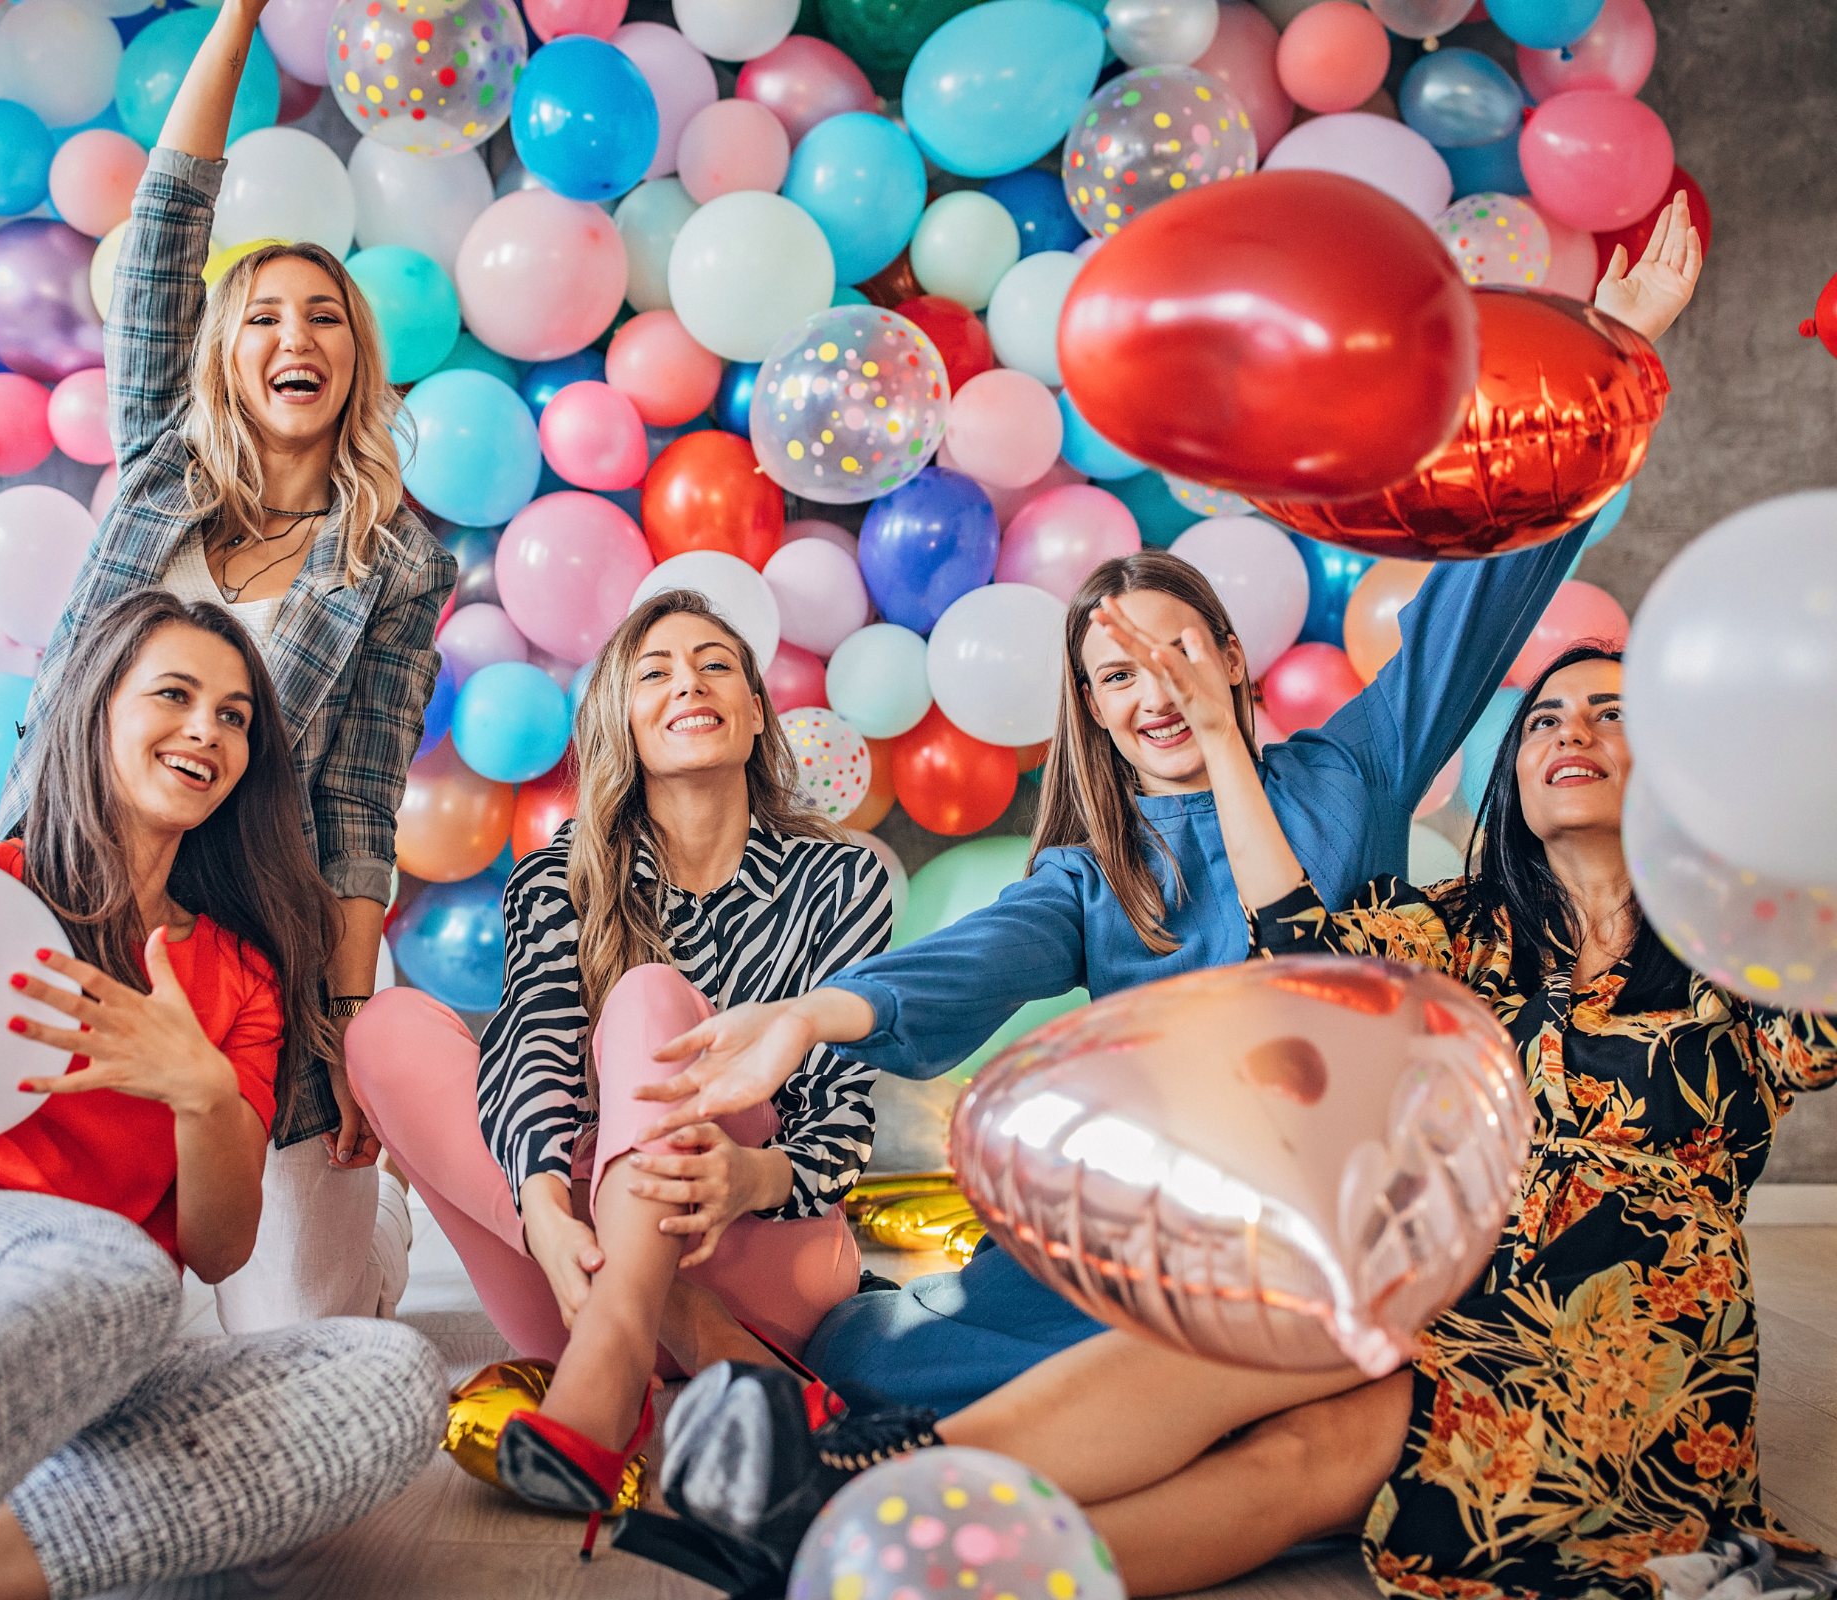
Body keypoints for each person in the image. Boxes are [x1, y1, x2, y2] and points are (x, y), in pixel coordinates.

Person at [627, 193, 1708, 1417]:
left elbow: (1482, 605)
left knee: (1297, 1376)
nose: (1152, 695)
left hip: (1327, 1201)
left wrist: (1609, 352)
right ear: (1089, 706)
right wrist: (808, 1014)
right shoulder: (1097, 877)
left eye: (1175, 658)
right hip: (1144, 1223)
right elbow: (969, 963)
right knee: (890, 1361)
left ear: (1233, 662)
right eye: (1114, 676)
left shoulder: (1341, 776)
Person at [660, 630, 1837, 1600]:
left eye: (1609, 713)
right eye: (1541, 719)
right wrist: (1223, 737)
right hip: (1448, 1298)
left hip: (1622, 1343)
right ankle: (918, 1563)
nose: (1566, 732)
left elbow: (1819, 1031)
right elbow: (1302, 952)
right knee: (1303, 1451)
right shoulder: (1459, 933)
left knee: (1309, 1340)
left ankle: (847, 1493)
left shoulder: (1739, 955)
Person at [0, 590, 445, 1600]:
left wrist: (202, 1093)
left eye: (235, 715)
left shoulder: (243, 975)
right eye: (174, 693)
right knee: (118, 1269)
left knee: (390, 1376)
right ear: (99, 708)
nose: (206, 728)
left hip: (92, 1347)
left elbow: (213, 1249)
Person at [0, 0, 454, 1333]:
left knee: (307, 1326)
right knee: (70, 1259)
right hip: (77, 882)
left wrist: (354, 1030)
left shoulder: (397, 566)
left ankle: (375, 1219)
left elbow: (362, 811)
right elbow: (166, 226)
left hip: (259, 930)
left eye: (324, 319)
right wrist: (242, 12)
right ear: (224, 353)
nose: (293, 338)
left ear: (357, 362)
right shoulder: (158, 469)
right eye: (261, 317)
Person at [343, 591, 896, 1548]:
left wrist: (750, 1174)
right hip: (575, 1271)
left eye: (717, 664)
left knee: (647, 995)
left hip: (770, 1252)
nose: (690, 681)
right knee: (383, 1029)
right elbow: (535, 1046)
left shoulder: (841, 879)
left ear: (757, 710)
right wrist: (544, 1208)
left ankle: (616, 1371)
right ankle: (669, 1329)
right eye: (655, 671)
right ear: (622, 720)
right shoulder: (558, 874)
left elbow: (841, 1121)